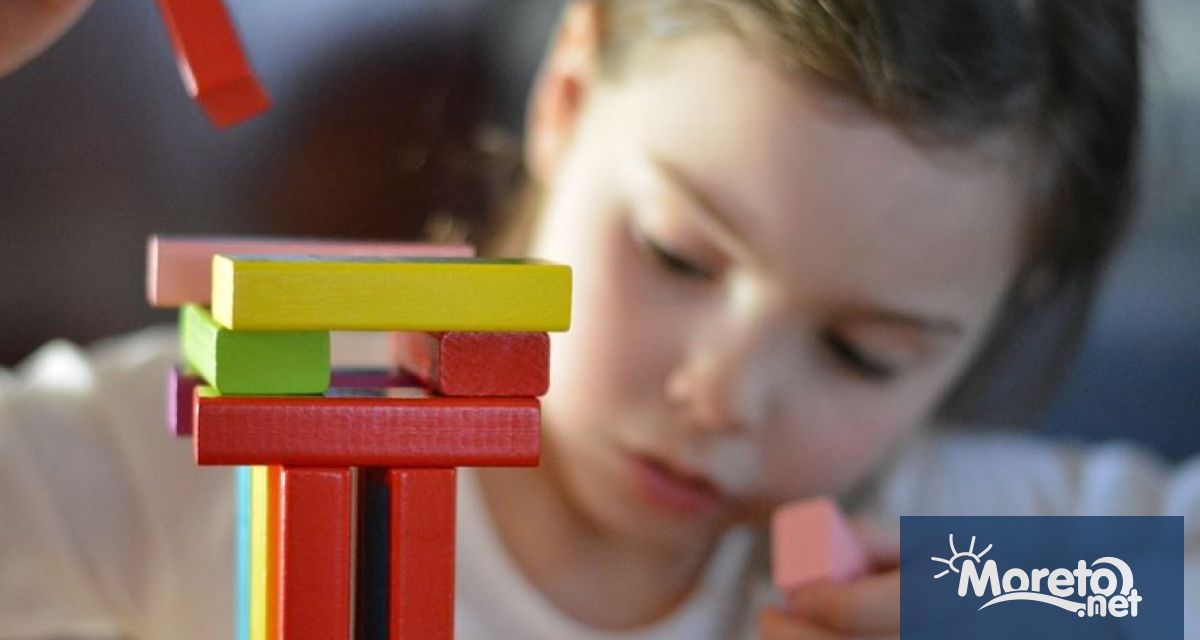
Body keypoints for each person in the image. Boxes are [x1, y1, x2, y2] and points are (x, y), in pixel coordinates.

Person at [1, 1, 1196, 639]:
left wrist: (1026, 598)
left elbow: (1168, 582)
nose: (723, 395)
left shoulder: (939, 535)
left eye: (861, 352)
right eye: (676, 254)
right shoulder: (221, 450)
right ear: (566, 96)